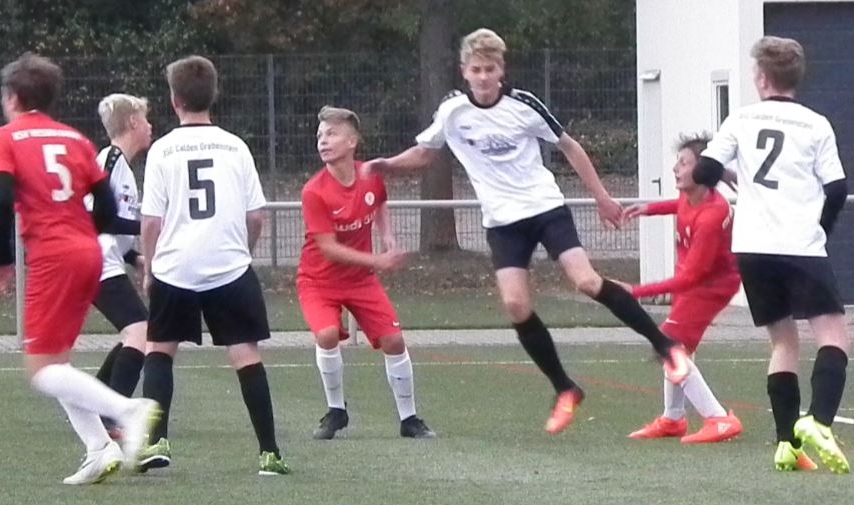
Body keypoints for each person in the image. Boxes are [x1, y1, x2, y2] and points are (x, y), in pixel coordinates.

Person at [364, 28, 689, 435]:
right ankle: (565, 388)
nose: (484, 76)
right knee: (516, 305)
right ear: (464, 71)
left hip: (545, 208)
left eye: (491, 69)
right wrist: (386, 165)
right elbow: (425, 153)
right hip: (503, 223)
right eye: (476, 69)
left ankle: (666, 346)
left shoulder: (524, 104)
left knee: (586, 281)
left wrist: (603, 197)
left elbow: (569, 146)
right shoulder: (453, 112)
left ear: (502, 70)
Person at [0, 53, 159, 485]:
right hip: (89, 254)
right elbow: (107, 205)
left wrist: (0, 260)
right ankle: (99, 447)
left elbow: (2, 199)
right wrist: (83, 236)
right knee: (57, 362)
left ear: (12, 98)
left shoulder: (5, 138)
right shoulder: (75, 139)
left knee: (41, 370)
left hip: (54, 257)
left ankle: (127, 409)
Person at [693, 36, 849, 473]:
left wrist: (735, 177)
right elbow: (837, 189)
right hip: (799, 245)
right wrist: (821, 230)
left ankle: (786, 443)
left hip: (752, 246)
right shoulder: (815, 124)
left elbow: (703, 170)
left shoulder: (741, 118)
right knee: (834, 336)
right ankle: (819, 421)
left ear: (762, 78)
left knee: (783, 341)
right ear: (796, 77)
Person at [139, 55, 289, 476]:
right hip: (229, 266)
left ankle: (156, 441)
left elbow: (151, 221)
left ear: (174, 100)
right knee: (245, 354)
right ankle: (269, 453)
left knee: (159, 351)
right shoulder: (235, 146)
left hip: (175, 267)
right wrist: (244, 252)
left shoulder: (162, 149)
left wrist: (149, 269)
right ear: (214, 95)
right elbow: (256, 216)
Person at [298, 106, 436, 440]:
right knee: (327, 335)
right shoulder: (314, 191)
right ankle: (336, 411)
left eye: (331, 134)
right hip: (319, 281)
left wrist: (388, 237)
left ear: (352, 141)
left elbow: (380, 202)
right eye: (320, 135)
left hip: (360, 280)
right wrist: (378, 260)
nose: (322, 141)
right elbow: (328, 248)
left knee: (394, 340)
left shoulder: (370, 175)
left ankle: (409, 419)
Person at [620, 133, 742, 444]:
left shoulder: (713, 215)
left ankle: (719, 419)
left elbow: (692, 278)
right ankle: (673, 419)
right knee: (677, 348)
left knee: (669, 344)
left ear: (702, 171)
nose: (676, 168)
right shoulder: (693, 198)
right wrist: (648, 209)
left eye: (683, 163)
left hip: (710, 287)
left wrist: (635, 291)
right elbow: (679, 205)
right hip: (697, 282)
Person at [87, 94, 153, 438]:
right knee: (140, 331)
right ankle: (111, 415)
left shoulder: (122, 166)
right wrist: (152, 225)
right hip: (95, 261)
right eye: (146, 119)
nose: (150, 126)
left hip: (106, 260)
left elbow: (112, 224)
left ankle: (95, 404)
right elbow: (97, 218)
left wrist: (133, 257)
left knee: (137, 331)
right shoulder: (109, 159)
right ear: (132, 123)